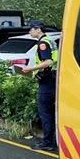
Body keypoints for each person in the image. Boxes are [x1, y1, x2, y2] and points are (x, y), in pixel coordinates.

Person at [21, 20, 58, 152]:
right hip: (53, 79)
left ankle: (48, 142)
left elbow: (48, 62)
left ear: (38, 29)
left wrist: (31, 68)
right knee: (50, 112)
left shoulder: (43, 43)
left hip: (47, 81)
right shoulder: (49, 40)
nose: (29, 31)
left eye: (31, 29)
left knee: (45, 112)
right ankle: (51, 140)